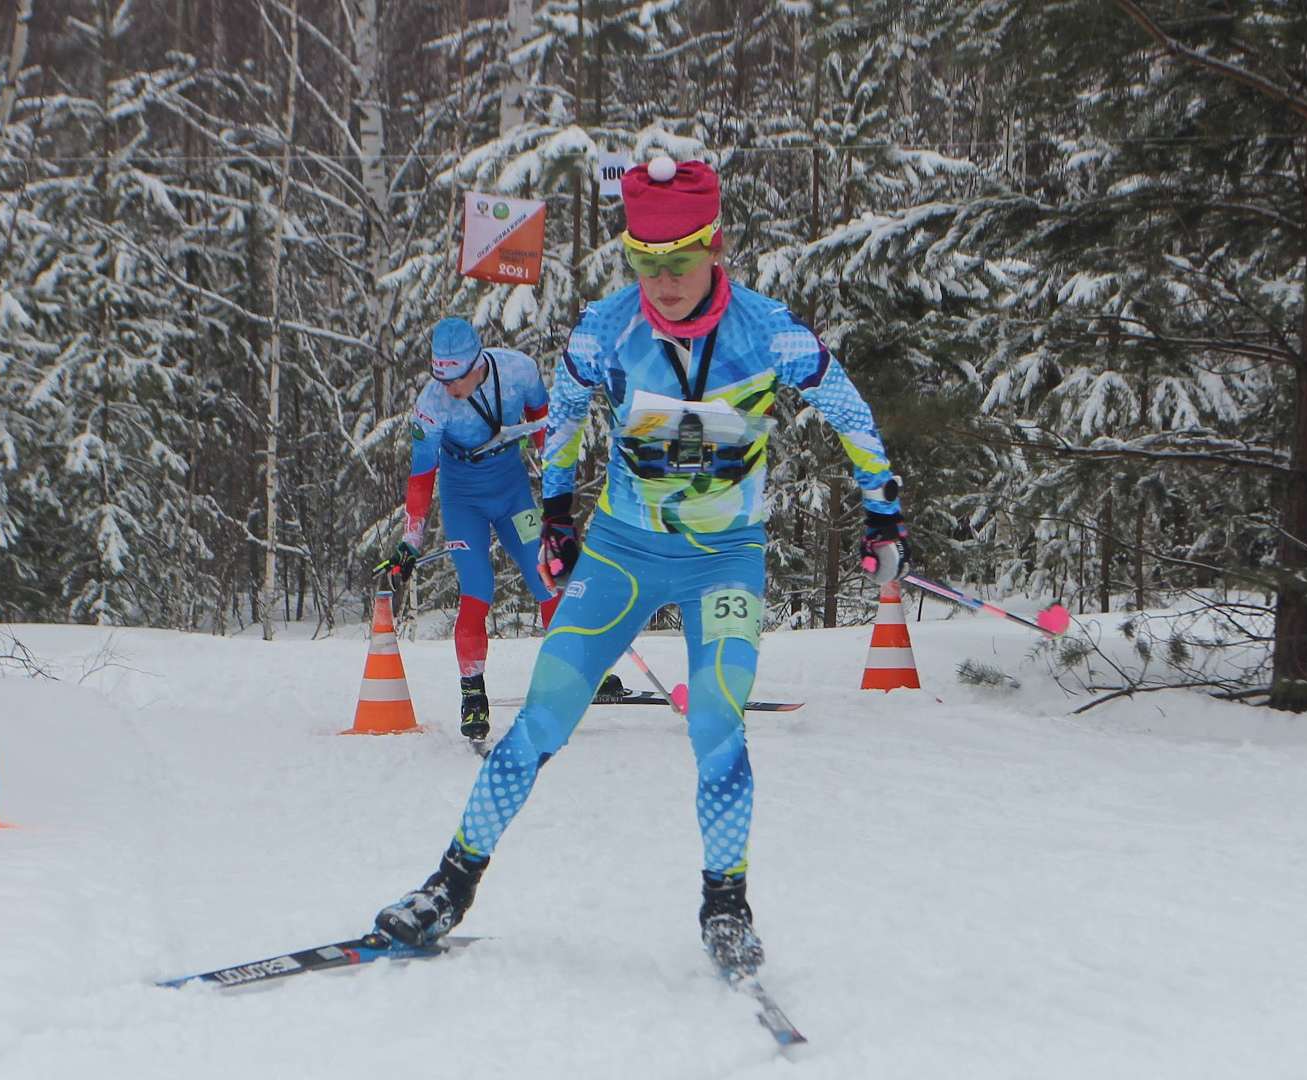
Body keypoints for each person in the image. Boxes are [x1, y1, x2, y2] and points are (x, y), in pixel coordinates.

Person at [372, 157, 910, 972]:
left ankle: (725, 904)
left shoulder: (770, 331)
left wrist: (883, 509)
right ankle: (450, 884)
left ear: (715, 246)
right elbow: (568, 410)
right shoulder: (606, 327)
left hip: (724, 561)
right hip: (622, 554)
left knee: (716, 724)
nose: (661, 282)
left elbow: (849, 411)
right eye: (644, 262)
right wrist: (556, 510)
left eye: (680, 261)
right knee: (542, 718)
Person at [386, 317, 562, 738]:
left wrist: (557, 498)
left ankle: (569, 673)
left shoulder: (519, 370)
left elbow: (546, 430)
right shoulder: (432, 405)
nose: (449, 388)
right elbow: (421, 476)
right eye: (440, 378)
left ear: (476, 363)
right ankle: (473, 696)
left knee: (548, 578)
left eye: (456, 379)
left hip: (512, 490)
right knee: (477, 589)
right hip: (463, 497)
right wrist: (410, 541)